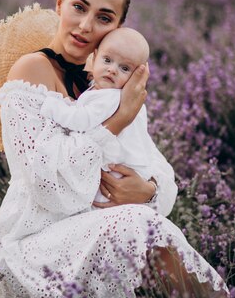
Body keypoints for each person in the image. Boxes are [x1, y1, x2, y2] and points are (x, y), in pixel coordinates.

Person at [0, 0, 229, 298]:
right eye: (79, 7)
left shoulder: (108, 82)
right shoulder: (30, 71)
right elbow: (45, 184)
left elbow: (156, 166)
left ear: (118, 28)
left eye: (104, 18)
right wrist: (116, 121)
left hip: (90, 229)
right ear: (60, 4)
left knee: (145, 221)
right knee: (138, 224)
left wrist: (146, 191)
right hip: (33, 241)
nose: (85, 26)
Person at [39, 26, 155, 204]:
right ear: (94, 57)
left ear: (136, 77)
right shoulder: (103, 90)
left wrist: (52, 106)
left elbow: (81, 120)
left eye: (124, 68)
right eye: (107, 60)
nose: (112, 70)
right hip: (120, 167)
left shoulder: (110, 97)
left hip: (117, 171)